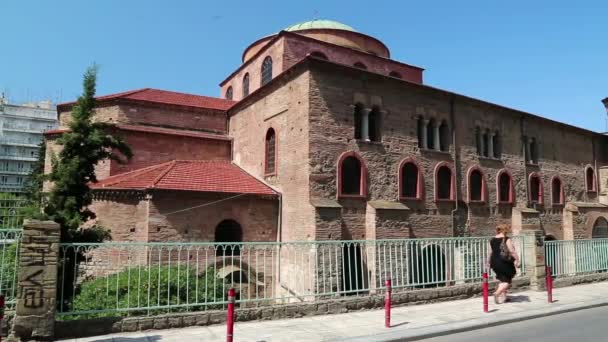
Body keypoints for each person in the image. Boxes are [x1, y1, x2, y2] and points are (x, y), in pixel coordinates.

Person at [486, 224, 520, 304]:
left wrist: (488, 262)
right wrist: (517, 259)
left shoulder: (492, 240)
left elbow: (490, 252)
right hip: (504, 262)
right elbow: (512, 251)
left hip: (494, 262)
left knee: (502, 279)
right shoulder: (506, 239)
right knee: (507, 280)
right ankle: (497, 293)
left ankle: (504, 297)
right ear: (505, 230)